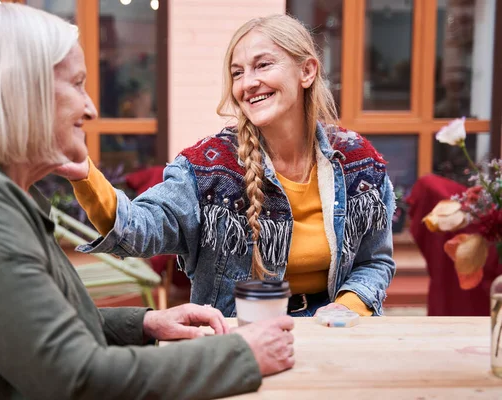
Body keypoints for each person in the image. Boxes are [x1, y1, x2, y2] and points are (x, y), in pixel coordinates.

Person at [0, 4, 296, 399]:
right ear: (20, 90)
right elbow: (77, 377)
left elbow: (26, 328)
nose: (90, 108)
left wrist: (144, 323)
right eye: (77, 84)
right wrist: (239, 354)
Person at [59, 14, 396, 319]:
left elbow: (374, 261)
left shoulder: (357, 160)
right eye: (238, 73)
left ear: (307, 71)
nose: (247, 83)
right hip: (239, 336)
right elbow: (137, 230)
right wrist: (83, 172)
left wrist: (348, 307)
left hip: (335, 333)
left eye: (263, 65)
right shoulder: (207, 168)